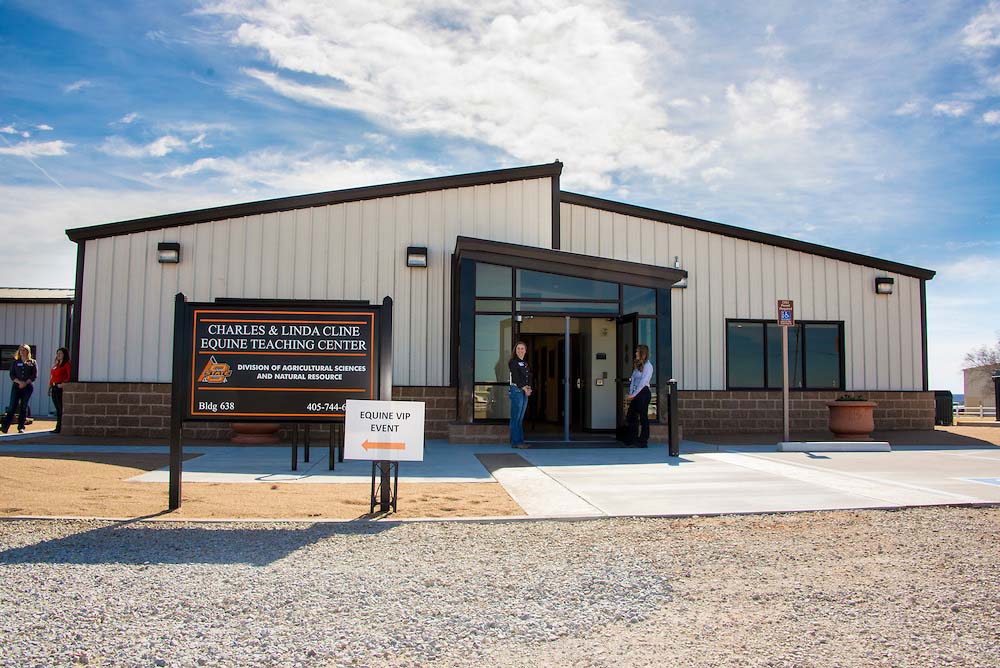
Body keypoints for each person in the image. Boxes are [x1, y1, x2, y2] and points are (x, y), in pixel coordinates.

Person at [1, 344, 37, 434]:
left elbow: (34, 375)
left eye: (24, 350)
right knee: (12, 406)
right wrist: (19, 382)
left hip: (27, 387)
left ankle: (21, 427)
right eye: (21, 350)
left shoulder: (32, 362)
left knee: (23, 407)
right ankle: (5, 427)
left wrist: (25, 383)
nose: (22, 352)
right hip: (17, 386)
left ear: (28, 352)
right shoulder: (15, 362)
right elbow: (12, 374)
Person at [624, 344, 653, 447]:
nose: (635, 353)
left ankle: (643, 441)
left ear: (642, 353)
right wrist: (631, 392)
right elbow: (633, 379)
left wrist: (634, 394)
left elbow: (643, 382)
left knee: (643, 417)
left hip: (644, 393)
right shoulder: (638, 365)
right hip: (636, 394)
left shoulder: (648, 366)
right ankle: (632, 439)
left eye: (637, 351)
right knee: (631, 416)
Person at [508, 341, 533, 449]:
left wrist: (529, 388)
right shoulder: (513, 362)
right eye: (518, 348)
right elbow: (516, 378)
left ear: (525, 350)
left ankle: (520, 441)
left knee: (520, 418)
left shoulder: (525, 363)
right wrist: (524, 388)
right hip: (517, 391)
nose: (520, 350)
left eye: (522, 348)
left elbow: (528, 377)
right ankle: (516, 442)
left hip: (524, 391)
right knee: (515, 418)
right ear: (515, 350)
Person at [49, 347, 71, 433]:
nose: (58, 355)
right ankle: (58, 426)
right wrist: (49, 387)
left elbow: (69, 377)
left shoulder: (67, 364)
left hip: (60, 387)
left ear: (64, 355)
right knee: (57, 408)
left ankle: (59, 427)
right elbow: (52, 377)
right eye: (57, 353)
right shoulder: (56, 365)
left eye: (60, 353)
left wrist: (63, 384)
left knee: (60, 408)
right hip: (54, 387)